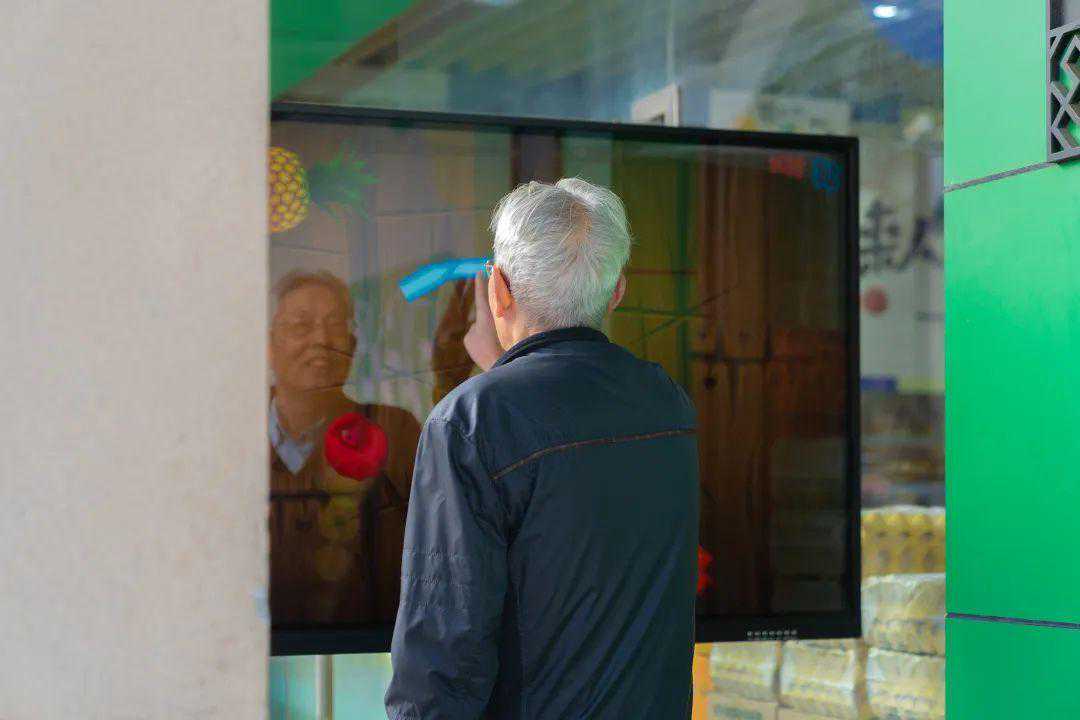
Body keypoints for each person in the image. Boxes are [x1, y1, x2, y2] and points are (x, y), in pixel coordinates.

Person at [386, 179, 700, 719]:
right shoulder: (667, 403)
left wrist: (499, 381)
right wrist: (504, 373)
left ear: (498, 289)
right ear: (617, 291)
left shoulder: (469, 425)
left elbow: (441, 660)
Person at [268, 270, 473, 625]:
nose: (321, 339)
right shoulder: (230, 439)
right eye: (301, 326)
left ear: (353, 344)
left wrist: (449, 381)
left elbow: (447, 525)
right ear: (270, 346)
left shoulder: (393, 430)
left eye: (335, 325)